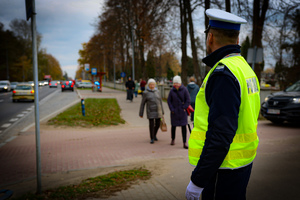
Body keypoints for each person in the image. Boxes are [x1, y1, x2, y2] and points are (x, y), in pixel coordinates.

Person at [185, 9, 260, 200]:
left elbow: (220, 135)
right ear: (237, 40)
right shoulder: (245, 68)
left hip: (222, 169)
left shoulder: (223, 74)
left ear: (210, 37)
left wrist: (198, 180)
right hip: (241, 165)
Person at [167, 75, 191, 149]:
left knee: (184, 127)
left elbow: (188, 100)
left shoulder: (184, 90)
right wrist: (172, 109)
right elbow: (169, 101)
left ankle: (184, 142)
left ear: (180, 83)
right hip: (174, 112)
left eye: (177, 83)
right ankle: (173, 139)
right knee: (173, 126)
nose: (176, 84)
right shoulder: (171, 91)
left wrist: (184, 107)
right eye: (174, 83)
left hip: (182, 112)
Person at [139, 79, 164, 144]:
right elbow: (142, 103)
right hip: (150, 110)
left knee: (158, 124)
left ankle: (154, 134)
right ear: (148, 85)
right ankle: (152, 138)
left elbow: (160, 102)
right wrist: (141, 113)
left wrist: (162, 111)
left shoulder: (157, 91)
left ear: (155, 85)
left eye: (153, 84)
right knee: (151, 124)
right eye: (150, 84)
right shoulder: (145, 93)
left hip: (158, 110)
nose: (152, 86)